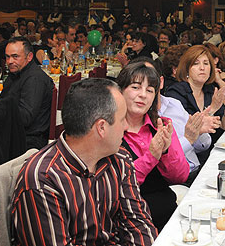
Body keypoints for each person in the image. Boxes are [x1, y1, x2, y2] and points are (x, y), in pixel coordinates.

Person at [11, 78, 158, 245]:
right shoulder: (43, 180)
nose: (126, 127)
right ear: (101, 127)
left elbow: (138, 224)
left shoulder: (119, 159)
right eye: (122, 119)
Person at [116, 62, 189, 230]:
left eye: (150, 90)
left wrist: (165, 151)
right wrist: (151, 156)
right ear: (120, 91)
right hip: (131, 224)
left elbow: (180, 177)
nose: (143, 95)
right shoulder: (112, 130)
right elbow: (119, 186)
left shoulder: (161, 126)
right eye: (135, 87)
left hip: (169, 217)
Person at [0, 37, 53, 149]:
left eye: (15, 56)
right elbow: (3, 107)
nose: (9, 61)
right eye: (7, 57)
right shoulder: (15, 75)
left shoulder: (34, 79)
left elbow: (24, 118)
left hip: (27, 141)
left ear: (29, 57)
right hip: (12, 133)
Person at [163, 45, 225, 144]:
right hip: (188, 153)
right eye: (196, 64)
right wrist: (212, 109)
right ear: (187, 69)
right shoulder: (176, 93)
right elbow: (183, 132)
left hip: (211, 148)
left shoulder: (210, 90)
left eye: (206, 63)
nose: (202, 68)